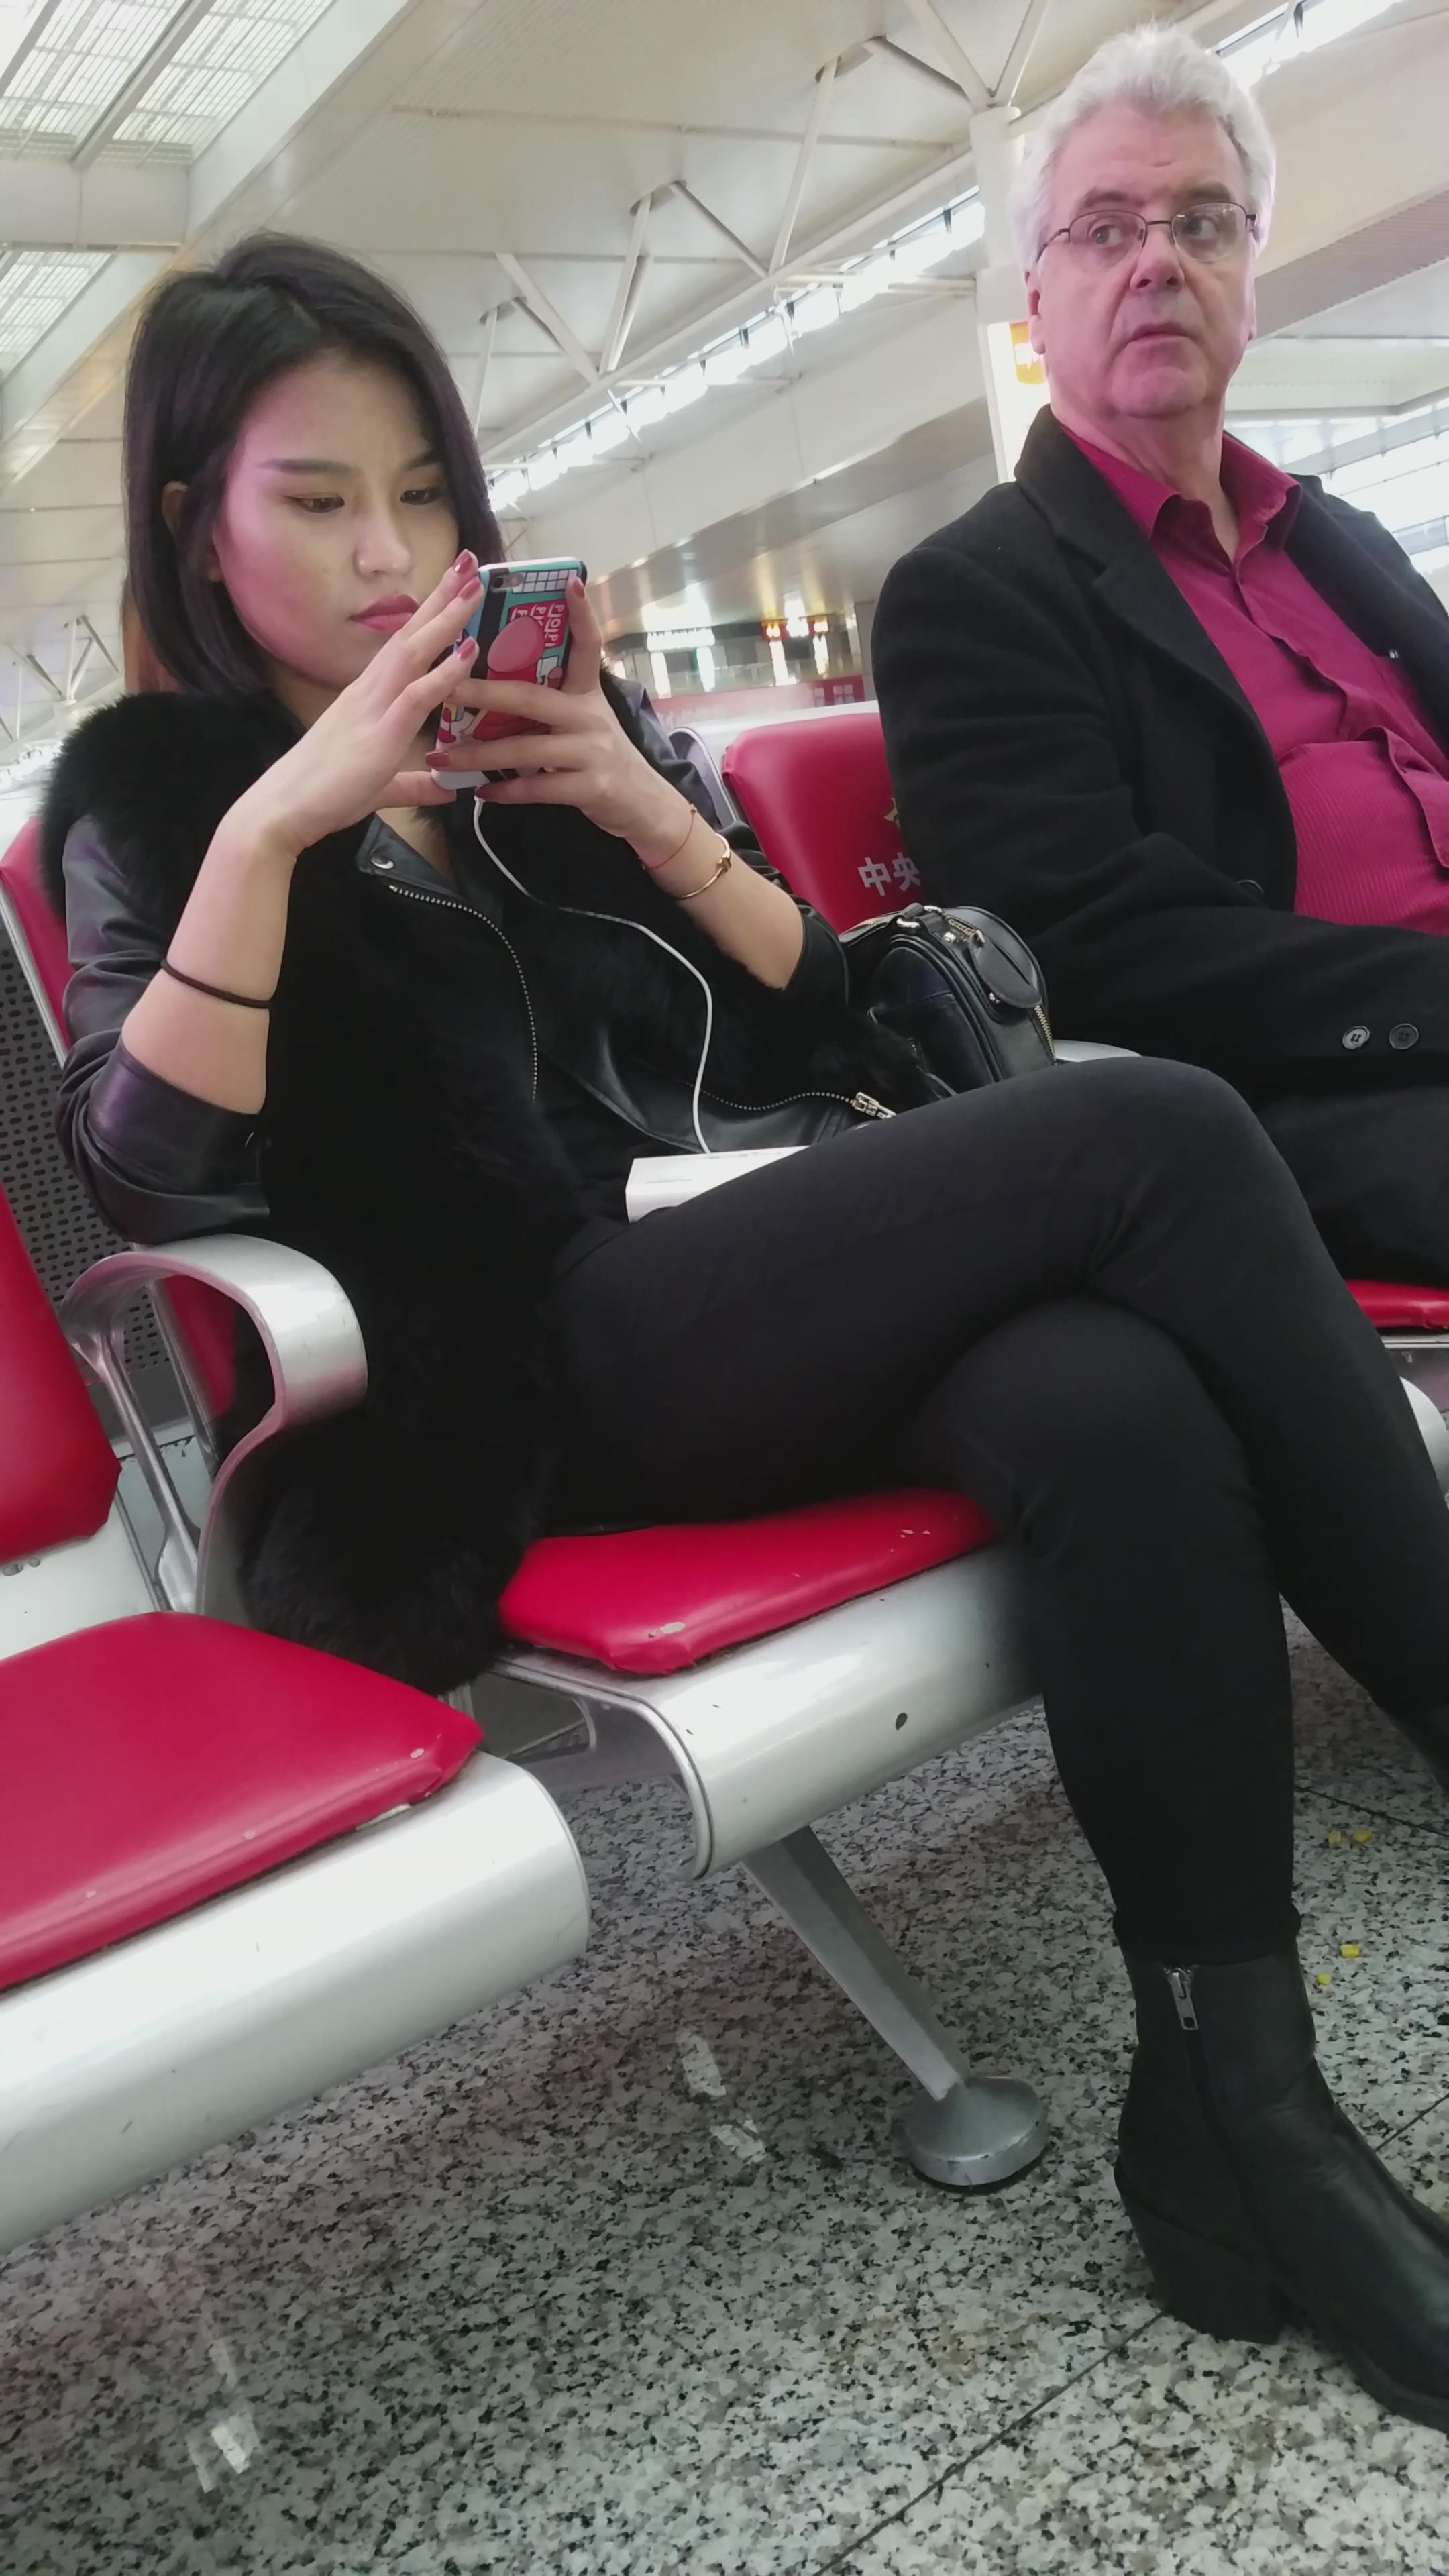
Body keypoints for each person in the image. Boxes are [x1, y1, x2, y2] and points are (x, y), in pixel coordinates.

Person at [44, 231, 1449, 2428]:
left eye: (422, 492)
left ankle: (1235, 2124)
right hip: (502, 1380)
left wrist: (623, 796)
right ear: (193, 524)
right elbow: (147, 1176)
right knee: (1160, 1136)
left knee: (1110, 1401)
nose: (391, 553)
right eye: (317, 501)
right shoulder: (156, 795)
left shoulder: (540, 741)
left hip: (730, 1280)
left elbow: (810, 1021)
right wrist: (278, 827)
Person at [873, 25, 1449, 1286]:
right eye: (1104, 229)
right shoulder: (975, 594)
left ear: (1250, 271)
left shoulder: (1340, 542)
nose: (1159, 262)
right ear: (1036, 299)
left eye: (1203, 222)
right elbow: (1092, 944)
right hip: (1302, 1099)